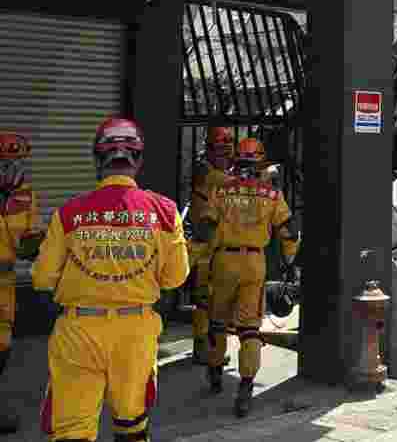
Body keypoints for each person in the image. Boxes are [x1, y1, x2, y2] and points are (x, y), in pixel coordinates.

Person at [32, 117, 189, 442]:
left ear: (97, 159)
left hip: (79, 332)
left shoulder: (69, 212)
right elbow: (175, 278)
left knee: (72, 431)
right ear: (139, 160)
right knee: (132, 425)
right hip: (135, 333)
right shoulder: (164, 211)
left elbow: (42, 278)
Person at [195, 137, 299, 418]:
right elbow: (289, 232)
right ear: (261, 162)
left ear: (236, 160)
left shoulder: (221, 191)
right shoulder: (273, 195)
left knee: (217, 321)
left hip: (223, 261)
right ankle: (245, 387)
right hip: (255, 262)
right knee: (250, 327)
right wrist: (290, 261)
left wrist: (198, 260)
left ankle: (215, 371)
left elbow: (204, 228)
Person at [184, 126, 235, 365]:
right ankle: (201, 347)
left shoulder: (225, 172)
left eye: (228, 149)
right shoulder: (204, 170)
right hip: (204, 244)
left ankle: (210, 346)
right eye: (220, 149)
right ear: (211, 150)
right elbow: (226, 183)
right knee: (204, 300)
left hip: (221, 245)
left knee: (218, 300)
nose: (225, 155)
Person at [0, 132, 39, 435]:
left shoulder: (25, 194)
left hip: (6, 280)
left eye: (14, 161)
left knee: (2, 347)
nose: (8, 167)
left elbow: (28, 238)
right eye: (3, 161)